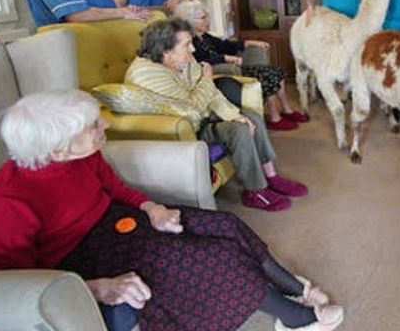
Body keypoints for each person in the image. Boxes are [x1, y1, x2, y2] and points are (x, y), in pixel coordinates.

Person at [0, 90, 343, 331]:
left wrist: (152, 208)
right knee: (211, 259)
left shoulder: (83, 155)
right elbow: (19, 285)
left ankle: (291, 286)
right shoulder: (4, 203)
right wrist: (97, 288)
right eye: (93, 127)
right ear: (57, 151)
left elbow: (115, 188)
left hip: (116, 222)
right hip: (78, 261)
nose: (105, 126)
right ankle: (294, 320)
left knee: (223, 225)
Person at [125, 19, 307, 211]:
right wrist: (206, 79)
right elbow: (193, 107)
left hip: (203, 115)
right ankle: (255, 191)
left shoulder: (179, 59)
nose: (193, 49)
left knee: (250, 116)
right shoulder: (147, 75)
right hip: (185, 128)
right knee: (239, 129)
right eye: (187, 44)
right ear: (165, 51)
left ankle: (271, 176)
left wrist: (234, 114)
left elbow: (212, 94)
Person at [173, 0, 309, 131]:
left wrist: (252, 43)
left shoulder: (205, 37)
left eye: (207, 16)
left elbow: (226, 45)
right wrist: (225, 58)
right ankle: (275, 118)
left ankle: (286, 110)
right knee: (269, 75)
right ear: (190, 21)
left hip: (232, 67)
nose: (208, 20)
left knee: (277, 71)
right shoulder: (189, 43)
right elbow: (200, 62)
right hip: (223, 72)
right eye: (203, 18)